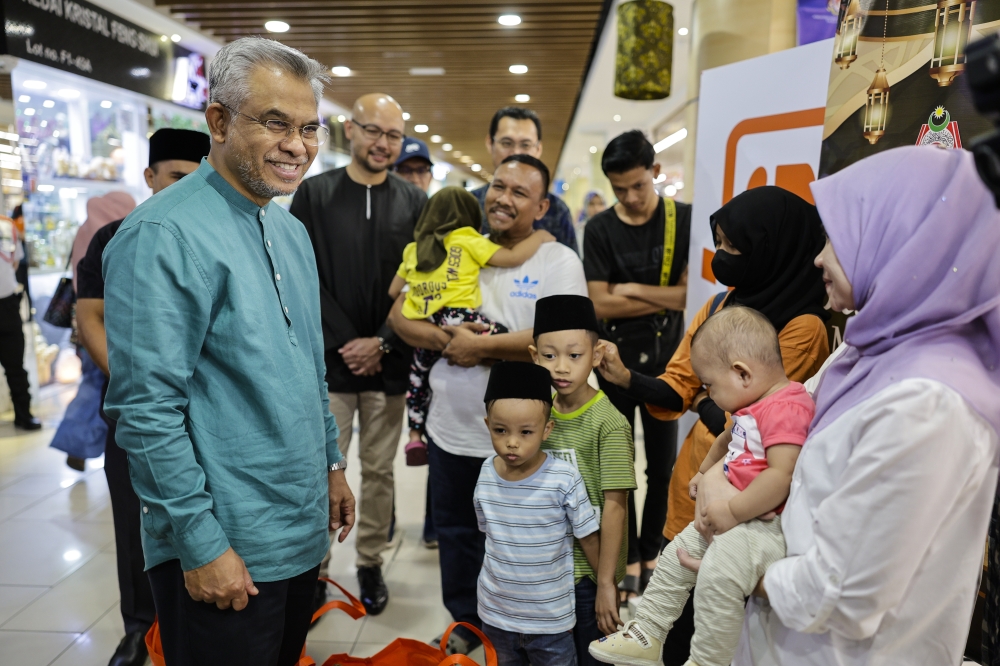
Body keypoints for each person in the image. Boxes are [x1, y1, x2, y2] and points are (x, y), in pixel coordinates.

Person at [103, 37, 356, 666]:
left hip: (297, 528)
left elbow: (305, 365)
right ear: (217, 121)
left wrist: (330, 463)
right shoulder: (161, 234)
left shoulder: (288, 228)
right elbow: (145, 410)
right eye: (275, 123)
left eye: (308, 127)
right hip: (224, 542)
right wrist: (200, 543)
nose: (297, 145)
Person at [728, 146, 1000, 666]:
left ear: (902, 242)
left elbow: (844, 594)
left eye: (835, 238)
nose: (818, 258)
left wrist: (738, 569)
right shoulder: (866, 349)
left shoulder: (929, 402)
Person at [597, 186, 829, 666]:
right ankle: (645, 637)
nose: (719, 256)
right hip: (693, 496)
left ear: (768, 247)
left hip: (744, 515)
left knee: (718, 615)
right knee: (671, 597)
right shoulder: (723, 304)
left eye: (730, 246)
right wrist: (627, 378)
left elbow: (753, 415)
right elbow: (680, 386)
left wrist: (704, 399)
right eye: (717, 241)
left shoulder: (805, 327)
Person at [388, 153, 587, 655]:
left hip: (523, 440)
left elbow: (561, 336)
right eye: (498, 185)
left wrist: (478, 347)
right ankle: (466, 621)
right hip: (452, 429)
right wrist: (443, 337)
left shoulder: (557, 259)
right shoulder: (461, 245)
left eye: (520, 192)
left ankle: (525, 629)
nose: (503, 197)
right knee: (456, 532)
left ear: (541, 206)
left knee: (523, 539)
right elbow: (398, 313)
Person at [591, 307, 814, 666]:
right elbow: (727, 437)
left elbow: (781, 476)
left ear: (741, 373)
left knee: (717, 579)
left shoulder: (787, 408)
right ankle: (647, 631)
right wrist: (705, 471)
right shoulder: (752, 403)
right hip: (735, 518)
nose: (708, 394)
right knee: (673, 557)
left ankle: (707, 660)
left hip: (761, 525)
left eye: (710, 385)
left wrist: (732, 510)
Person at [75, 127, 209, 666]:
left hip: (211, 411)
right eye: (177, 177)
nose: (187, 189)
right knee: (136, 518)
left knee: (210, 513)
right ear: (150, 176)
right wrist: (137, 388)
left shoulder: (218, 236)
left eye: (200, 179)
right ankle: (139, 626)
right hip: (139, 411)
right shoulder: (114, 239)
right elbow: (91, 318)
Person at [290, 92, 425, 615]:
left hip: (390, 364)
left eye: (393, 135)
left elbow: (421, 284)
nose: (383, 144)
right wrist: (347, 341)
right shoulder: (314, 194)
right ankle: (317, 569)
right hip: (329, 364)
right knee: (322, 467)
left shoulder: (414, 202)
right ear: (349, 129)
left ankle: (370, 561)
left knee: (380, 471)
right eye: (374, 131)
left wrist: (383, 341)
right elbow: (302, 277)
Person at [584, 130, 690, 600]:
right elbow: (598, 302)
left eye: (638, 186)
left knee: (663, 467)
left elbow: (689, 295)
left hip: (669, 361)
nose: (630, 198)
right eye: (619, 189)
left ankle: (652, 553)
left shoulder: (682, 220)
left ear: (656, 173)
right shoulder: (601, 228)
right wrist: (652, 297)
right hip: (611, 360)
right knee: (616, 467)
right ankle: (623, 555)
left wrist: (628, 290)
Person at [389, 186, 555, 464]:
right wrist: (540, 235)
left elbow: (394, 292)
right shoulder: (466, 237)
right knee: (505, 340)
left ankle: (415, 435)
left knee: (418, 378)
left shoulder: (413, 249)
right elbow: (512, 257)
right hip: (460, 318)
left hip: (426, 322)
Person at [529, 294, 635, 665]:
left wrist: (606, 582)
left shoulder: (609, 423)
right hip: (545, 568)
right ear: (533, 356)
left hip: (588, 575)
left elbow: (616, 506)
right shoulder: (536, 417)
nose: (561, 367)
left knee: (589, 656)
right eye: (549, 355)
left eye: (574, 356)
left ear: (596, 355)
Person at [475, 361, 601, 666]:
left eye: (526, 432)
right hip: (496, 616)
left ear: (547, 429)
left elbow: (589, 537)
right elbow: (489, 534)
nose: (512, 442)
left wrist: (606, 586)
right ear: (487, 423)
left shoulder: (564, 478)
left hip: (550, 621)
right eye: (500, 430)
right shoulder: (486, 473)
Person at [50, 192, 136, 471]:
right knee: (97, 386)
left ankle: (80, 445)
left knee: (93, 383)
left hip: (84, 323)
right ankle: (77, 444)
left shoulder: (85, 231)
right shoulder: (123, 231)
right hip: (111, 322)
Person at [471, 107, 578, 253]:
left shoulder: (557, 210)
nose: (515, 153)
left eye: (525, 145)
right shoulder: (468, 205)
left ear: (538, 149)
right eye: (506, 143)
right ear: (490, 144)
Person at [0, 212, 38, 430]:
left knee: (16, 367)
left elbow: (15, 262)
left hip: (7, 306)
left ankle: (23, 414)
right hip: (7, 303)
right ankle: (24, 415)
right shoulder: (7, 225)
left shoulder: (7, 225)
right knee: (16, 368)